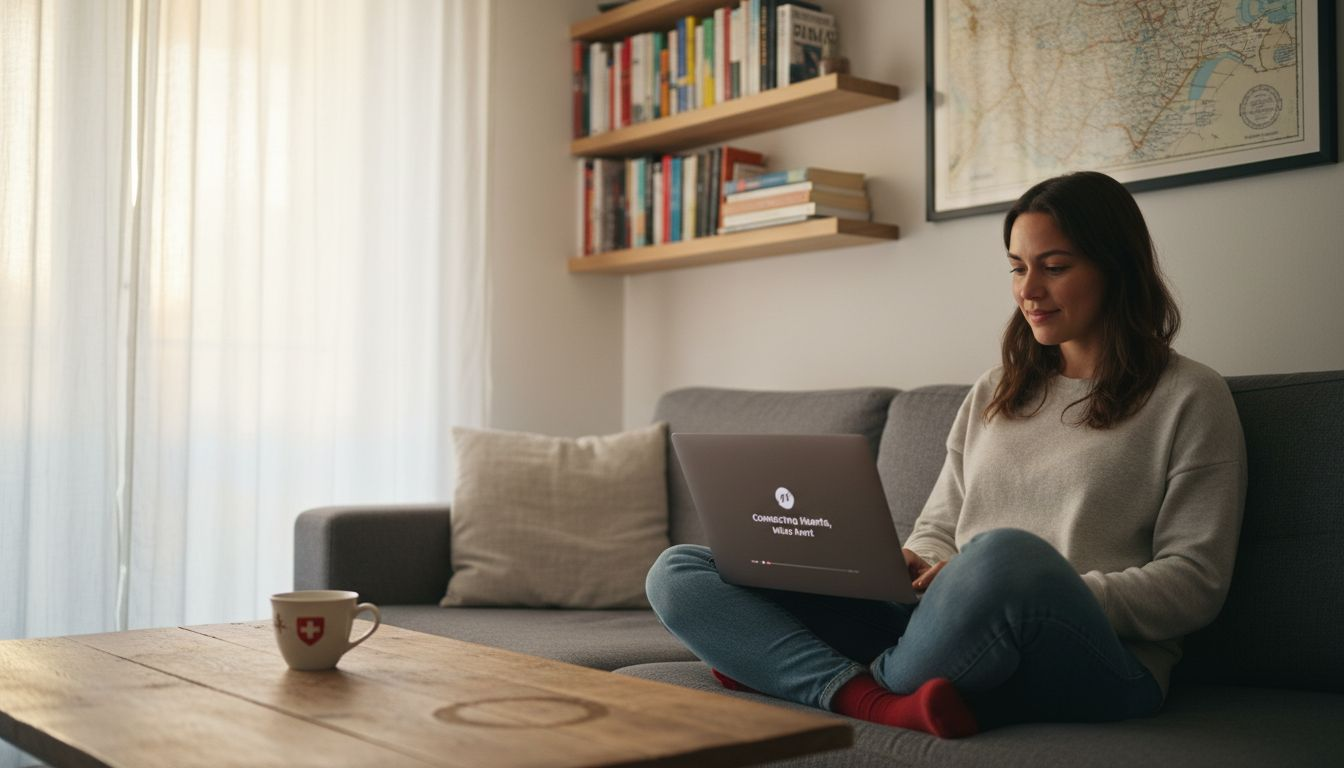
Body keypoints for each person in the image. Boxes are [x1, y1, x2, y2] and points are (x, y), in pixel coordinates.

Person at [644, 171, 1247, 738]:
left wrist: (1028, 586)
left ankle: (779, 668)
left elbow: (1195, 585)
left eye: (1054, 267)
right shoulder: (996, 391)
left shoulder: (1189, 397)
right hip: (940, 625)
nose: (1028, 292)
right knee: (680, 570)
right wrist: (915, 559)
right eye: (1016, 269)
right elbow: (938, 527)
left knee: (1004, 556)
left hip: (1101, 662)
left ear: (1116, 268)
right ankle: (869, 697)